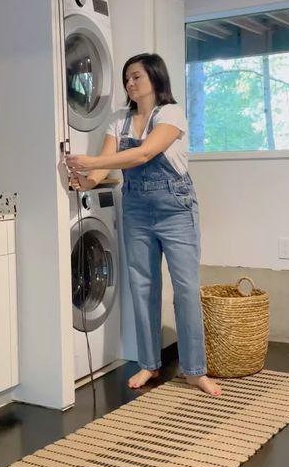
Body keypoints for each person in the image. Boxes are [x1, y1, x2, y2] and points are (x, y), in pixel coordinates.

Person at [66, 53, 221, 396]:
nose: (130, 83)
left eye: (136, 76)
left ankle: (195, 371)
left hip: (175, 208)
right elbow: (104, 170)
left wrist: (94, 161)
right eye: (126, 79)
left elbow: (143, 154)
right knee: (142, 287)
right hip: (135, 206)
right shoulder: (118, 121)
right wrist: (86, 179)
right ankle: (149, 364)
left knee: (185, 289)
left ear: (155, 77)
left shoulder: (171, 114)